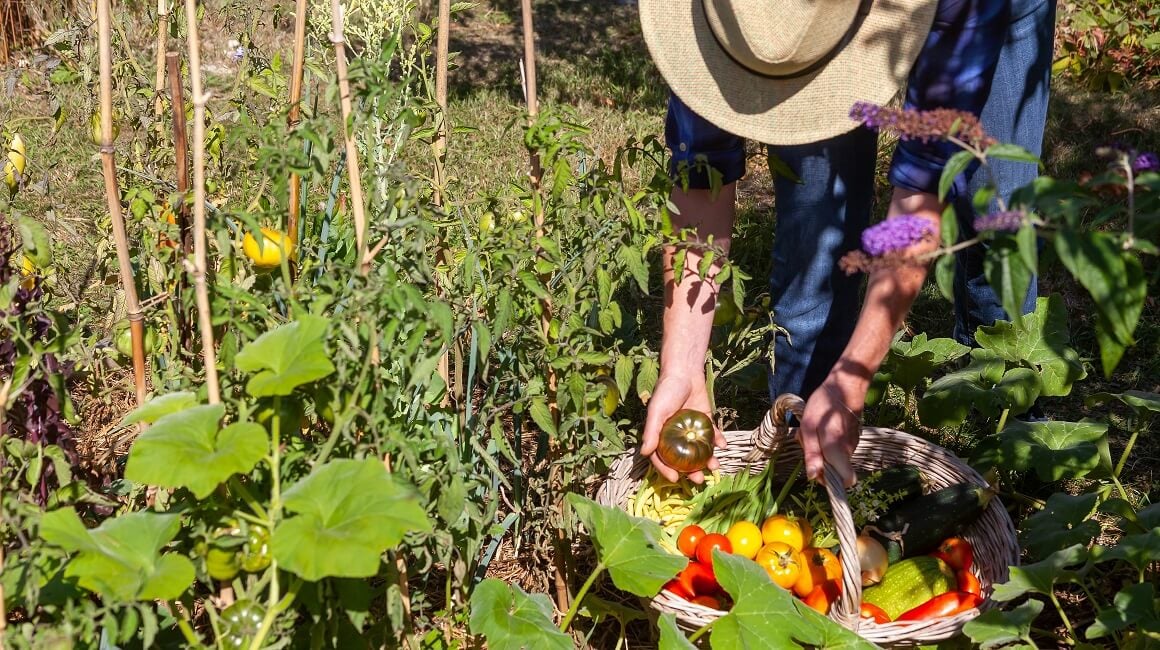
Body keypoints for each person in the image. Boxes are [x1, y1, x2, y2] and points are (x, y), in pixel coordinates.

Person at [635, 0, 1056, 488]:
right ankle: (803, 456)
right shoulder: (721, 19)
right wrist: (681, 366)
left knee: (997, 217)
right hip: (802, 36)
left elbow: (923, 187)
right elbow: (700, 178)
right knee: (815, 248)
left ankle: (1013, 411)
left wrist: (853, 375)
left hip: (986, 15)